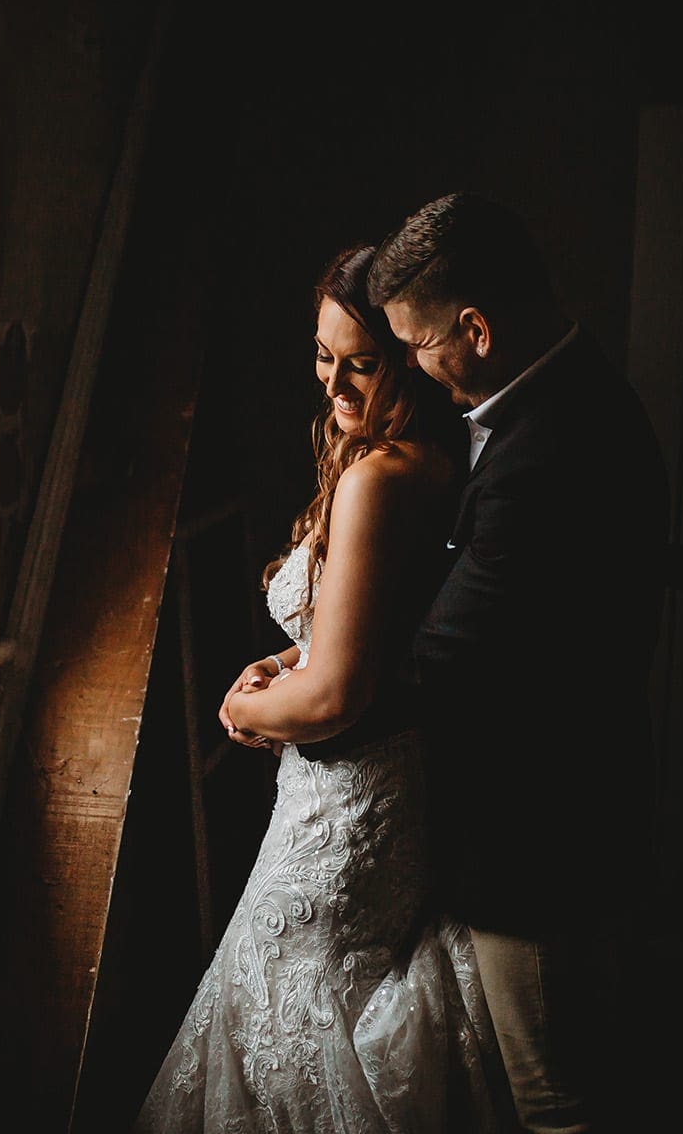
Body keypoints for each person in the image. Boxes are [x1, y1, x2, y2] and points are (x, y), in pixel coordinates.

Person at [134, 244, 519, 1133]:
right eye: (322, 356)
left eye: (364, 364)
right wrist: (286, 665)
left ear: (410, 358)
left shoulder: (381, 478)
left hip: (344, 808)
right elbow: (377, 637)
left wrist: (241, 706)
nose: (336, 387)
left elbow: (337, 695)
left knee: (289, 1004)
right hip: (387, 788)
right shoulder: (430, 456)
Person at [363, 192, 671, 1133]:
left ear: (478, 328)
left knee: (557, 1105)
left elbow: (447, 659)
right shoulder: (581, 400)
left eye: (418, 343)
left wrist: (320, 679)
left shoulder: (553, 448)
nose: (414, 366)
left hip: (541, 846)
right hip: (572, 817)